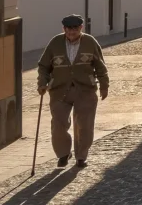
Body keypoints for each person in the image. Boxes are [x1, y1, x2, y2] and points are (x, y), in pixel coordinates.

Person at [37, 15, 109, 168]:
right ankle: (63, 153)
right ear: (64, 29)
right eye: (69, 29)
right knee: (58, 124)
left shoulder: (90, 42)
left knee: (84, 124)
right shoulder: (55, 43)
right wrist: (42, 83)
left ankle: (81, 156)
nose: (72, 32)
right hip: (59, 91)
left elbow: (100, 66)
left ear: (81, 28)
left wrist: (104, 86)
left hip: (85, 90)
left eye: (75, 29)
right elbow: (43, 66)